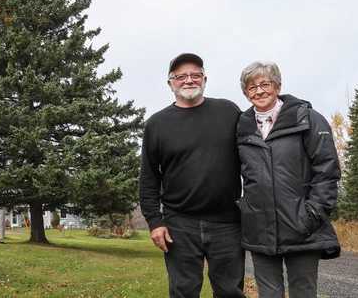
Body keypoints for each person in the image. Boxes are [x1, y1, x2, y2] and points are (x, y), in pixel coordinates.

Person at [139, 53, 245, 298]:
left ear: (204, 79)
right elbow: (149, 179)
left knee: (230, 292)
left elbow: (253, 157)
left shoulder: (228, 112)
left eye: (195, 75)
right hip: (179, 224)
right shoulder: (157, 124)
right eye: (181, 76)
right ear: (171, 83)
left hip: (227, 223)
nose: (189, 80)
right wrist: (155, 222)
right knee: (183, 292)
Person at [236, 61, 341, 298]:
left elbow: (327, 170)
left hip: (302, 227)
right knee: (269, 294)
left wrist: (312, 214)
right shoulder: (241, 126)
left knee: (303, 292)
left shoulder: (308, 118)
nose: (259, 91)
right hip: (259, 229)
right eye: (252, 87)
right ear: (246, 93)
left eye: (265, 84)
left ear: (278, 85)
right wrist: (245, 209)